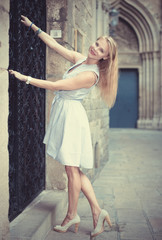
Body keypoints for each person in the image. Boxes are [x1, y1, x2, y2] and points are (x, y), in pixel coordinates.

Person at [9, 15, 118, 238]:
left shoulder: (90, 75)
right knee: (74, 169)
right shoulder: (81, 59)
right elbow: (55, 45)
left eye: (100, 49)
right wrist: (33, 27)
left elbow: (57, 85)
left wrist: (25, 78)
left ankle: (72, 215)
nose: (94, 48)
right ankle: (97, 211)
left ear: (105, 57)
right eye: (96, 43)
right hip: (66, 112)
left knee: (71, 170)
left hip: (71, 118)